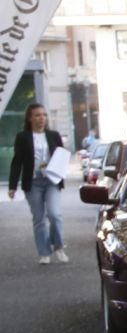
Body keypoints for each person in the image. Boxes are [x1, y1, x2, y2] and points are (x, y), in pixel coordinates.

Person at [9, 103, 69, 264]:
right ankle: (44, 253)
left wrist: (61, 175)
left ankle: (59, 246)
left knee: (54, 214)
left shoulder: (54, 135)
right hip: (33, 182)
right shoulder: (23, 137)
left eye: (44, 115)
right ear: (30, 118)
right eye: (37, 115)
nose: (41, 118)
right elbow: (17, 162)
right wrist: (12, 186)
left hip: (51, 181)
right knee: (39, 218)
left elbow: (62, 157)